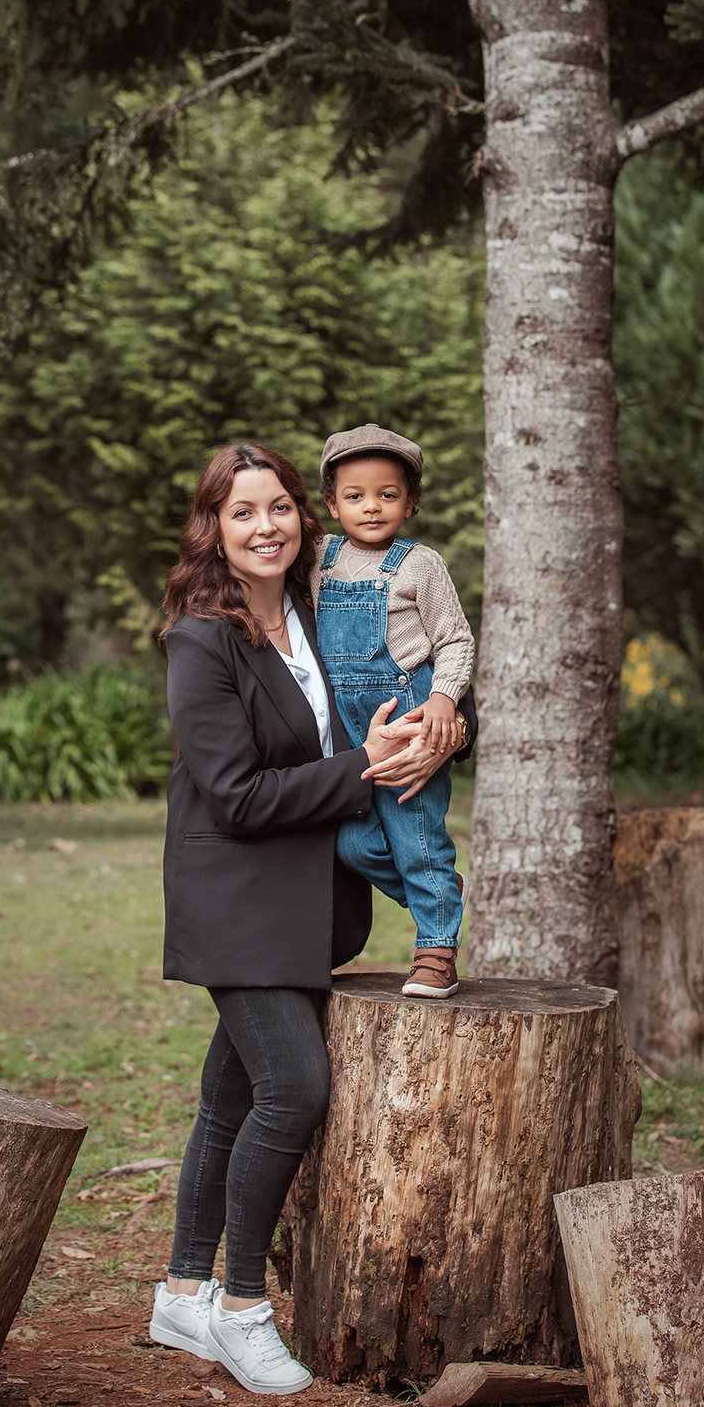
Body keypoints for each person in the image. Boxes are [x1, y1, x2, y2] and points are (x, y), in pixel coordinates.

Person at [149, 440, 474, 1395]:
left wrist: (441, 718)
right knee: (293, 1088)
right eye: (242, 512)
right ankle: (243, 1307)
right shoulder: (200, 639)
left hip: (307, 903)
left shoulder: (318, 606)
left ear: (305, 517)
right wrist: (363, 770)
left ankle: (180, 1291)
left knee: (230, 1100)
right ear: (213, 527)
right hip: (236, 900)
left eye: (279, 508)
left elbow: (391, 692)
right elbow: (238, 794)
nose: (265, 528)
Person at [315, 423, 475, 1001]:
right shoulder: (319, 560)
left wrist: (443, 700)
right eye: (354, 496)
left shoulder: (419, 565)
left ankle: (435, 950)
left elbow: (454, 640)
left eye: (387, 494)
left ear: (410, 504)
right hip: (348, 728)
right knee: (353, 844)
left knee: (416, 834)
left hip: (409, 716)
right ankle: (438, 890)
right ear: (331, 504)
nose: (371, 507)